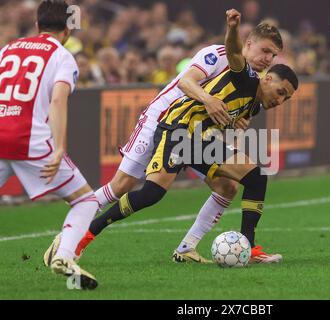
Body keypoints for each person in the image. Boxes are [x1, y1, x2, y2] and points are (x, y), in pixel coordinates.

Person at [64, 8, 298, 265]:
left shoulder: (253, 100)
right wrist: (231, 29)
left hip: (198, 139)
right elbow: (214, 64)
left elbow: (223, 114)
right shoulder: (235, 67)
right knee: (141, 191)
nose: (281, 99)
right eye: (265, 51)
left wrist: (231, 122)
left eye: (273, 55)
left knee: (248, 179)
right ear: (249, 45)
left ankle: (230, 247)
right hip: (172, 126)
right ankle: (80, 235)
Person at [0, 0, 98, 290]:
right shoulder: (62, 56)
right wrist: (59, 147)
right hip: (30, 141)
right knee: (85, 200)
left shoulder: (7, 49)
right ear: (68, 30)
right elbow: (58, 100)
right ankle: (65, 256)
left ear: (36, 25)